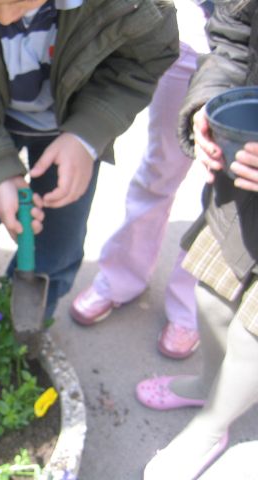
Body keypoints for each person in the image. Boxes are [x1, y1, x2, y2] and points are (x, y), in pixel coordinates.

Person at [0, 0, 179, 320]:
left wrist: (87, 135)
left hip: (74, 124)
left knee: (56, 249)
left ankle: (26, 328)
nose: (5, 18)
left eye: (19, 2)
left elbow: (142, 60)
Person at [135, 2, 258, 478]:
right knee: (211, 297)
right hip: (243, 187)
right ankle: (211, 382)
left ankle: (212, 425)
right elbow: (232, 34)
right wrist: (211, 101)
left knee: (251, 334)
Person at [69, 0, 212, 359]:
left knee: (224, 195)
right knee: (159, 168)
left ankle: (190, 304)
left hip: (249, 66)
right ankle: (121, 277)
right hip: (191, 36)